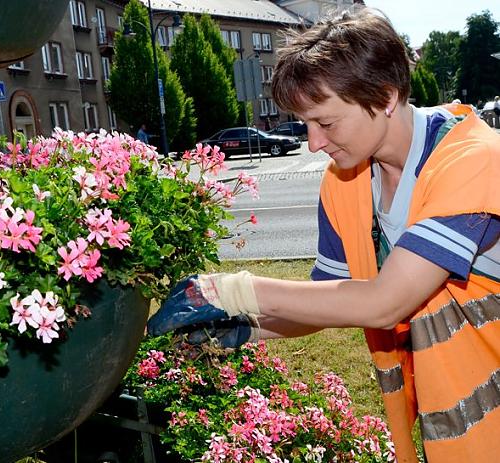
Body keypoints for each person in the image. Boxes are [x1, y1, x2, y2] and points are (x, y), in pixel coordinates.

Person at [148, 8, 499, 463]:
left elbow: (383, 302)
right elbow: (328, 301)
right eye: (305, 123)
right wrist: (243, 330)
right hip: (456, 410)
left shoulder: (474, 160)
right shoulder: (344, 181)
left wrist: (235, 291)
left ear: (386, 96)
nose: (313, 143)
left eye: (326, 123)